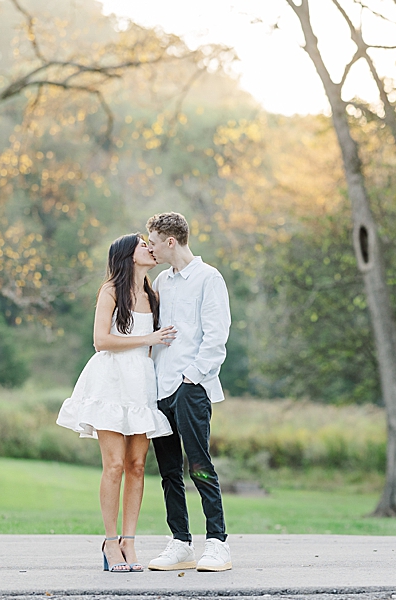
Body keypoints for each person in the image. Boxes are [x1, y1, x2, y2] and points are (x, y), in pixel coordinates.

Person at [56, 233, 176, 573]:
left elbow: (155, 348)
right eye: (143, 245)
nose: (150, 249)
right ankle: (110, 543)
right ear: (127, 255)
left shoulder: (153, 295)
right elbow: (100, 341)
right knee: (114, 465)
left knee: (137, 465)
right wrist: (149, 338)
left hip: (141, 382)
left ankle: (129, 541)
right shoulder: (111, 291)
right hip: (110, 381)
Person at [145, 212, 233, 572]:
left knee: (199, 464)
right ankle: (181, 542)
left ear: (170, 241)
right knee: (168, 470)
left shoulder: (208, 278)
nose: (149, 247)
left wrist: (191, 378)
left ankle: (218, 543)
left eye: (152, 240)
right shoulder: (162, 281)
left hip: (191, 387)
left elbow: (216, 335)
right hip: (160, 389)